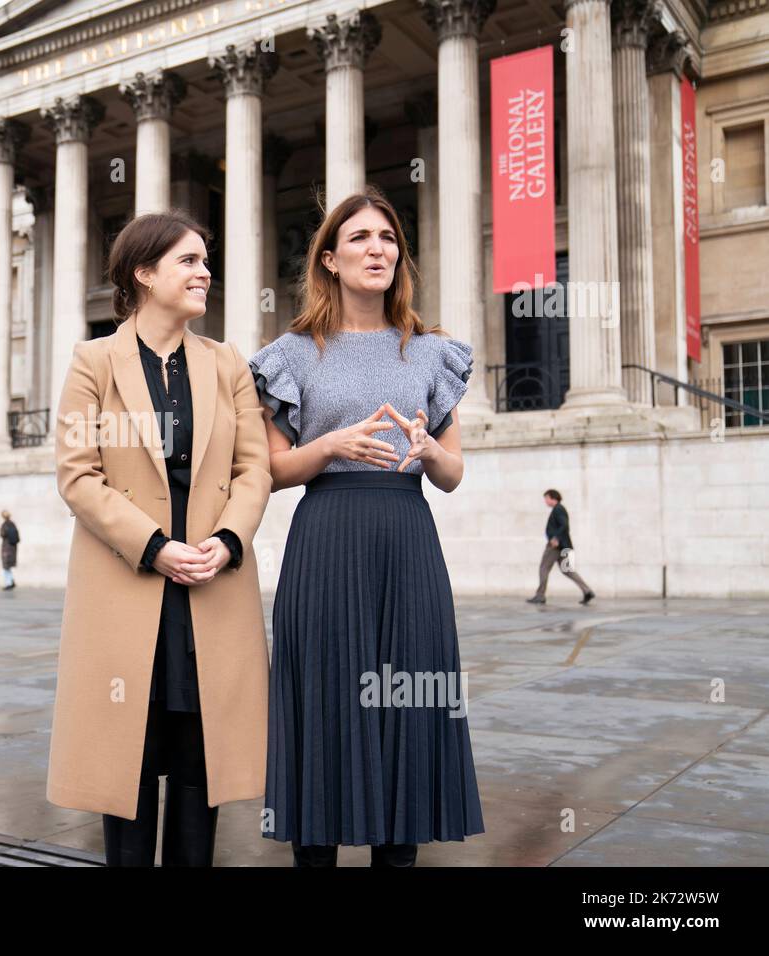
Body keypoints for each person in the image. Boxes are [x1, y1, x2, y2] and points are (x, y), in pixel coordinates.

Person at [249, 186, 485, 866]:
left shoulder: (432, 352)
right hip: (326, 539)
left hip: (407, 539)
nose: (376, 248)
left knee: (409, 711)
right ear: (329, 258)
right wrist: (330, 447)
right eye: (359, 238)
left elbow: (453, 473)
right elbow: (270, 469)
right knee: (323, 708)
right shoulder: (291, 354)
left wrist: (433, 453)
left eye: (387, 238)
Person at [48, 210, 272, 867]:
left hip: (211, 587)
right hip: (129, 585)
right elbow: (76, 474)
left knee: (203, 769)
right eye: (190, 261)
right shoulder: (93, 362)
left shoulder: (228, 363)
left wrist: (228, 540)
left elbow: (253, 468)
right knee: (128, 770)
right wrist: (153, 545)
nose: (206, 273)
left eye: (206, 260)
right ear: (145, 273)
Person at [528, 489, 595, 606]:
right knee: (568, 570)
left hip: (556, 546)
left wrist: (555, 538)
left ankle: (540, 595)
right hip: (566, 545)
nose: (545, 501)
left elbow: (564, 524)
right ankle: (587, 591)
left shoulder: (558, 509)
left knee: (543, 568)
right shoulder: (560, 509)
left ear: (552, 498)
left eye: (546, 498)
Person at [0, 510, 19, 590]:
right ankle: (11, 581)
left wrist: (0, 531)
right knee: (8, 567)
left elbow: (2, 534)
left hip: (6, 549)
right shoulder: (12, 524)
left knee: (5, 567)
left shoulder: (5, 525)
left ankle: (8, 583)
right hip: (13, 548)